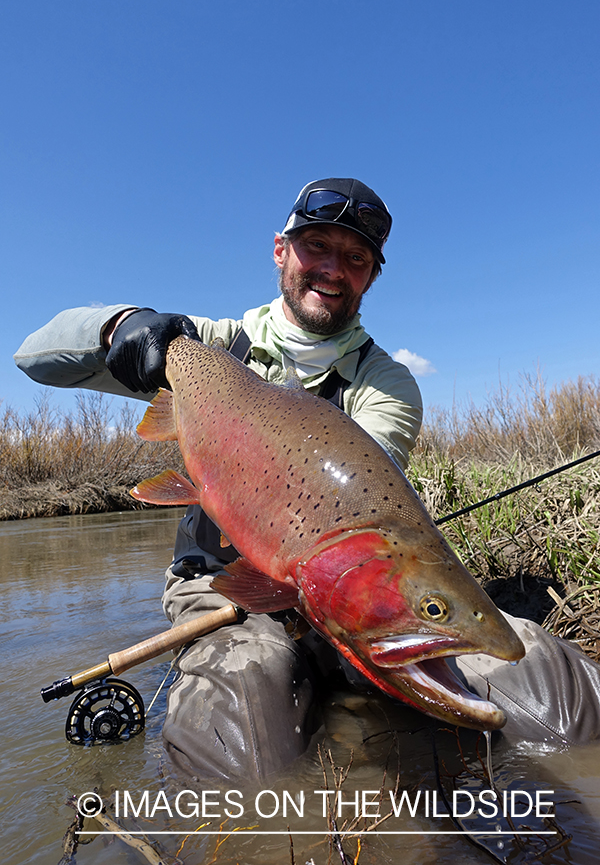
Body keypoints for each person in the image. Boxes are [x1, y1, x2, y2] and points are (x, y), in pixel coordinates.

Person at [14, 177, 600, 781]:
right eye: (316, 245)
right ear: (280, 251)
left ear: (371, 276)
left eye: (355, 258)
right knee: (242, 746)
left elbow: (366, 506)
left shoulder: (388, 385)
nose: (333, 269)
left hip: (340, 589)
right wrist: (121, 328)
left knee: (556, 700)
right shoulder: (202, 348)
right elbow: (34, 357)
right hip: (226, 590)